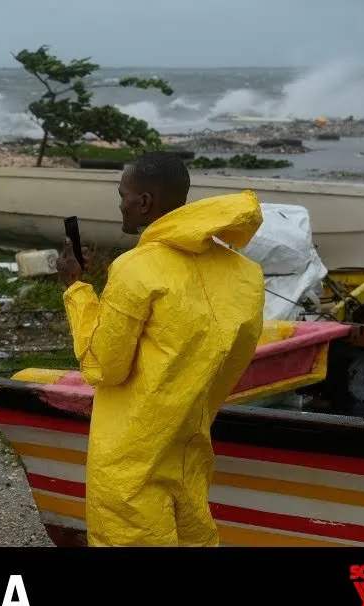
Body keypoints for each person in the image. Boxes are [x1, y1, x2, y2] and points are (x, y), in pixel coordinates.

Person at [56, 151, 267, 547]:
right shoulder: (246, 274)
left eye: (124, 194)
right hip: (188, 446)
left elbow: (103, 367)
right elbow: (230, 359)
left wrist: (76, 289)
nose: (121, 202)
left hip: (131, 459)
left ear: (145, 202)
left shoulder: (136, 267)